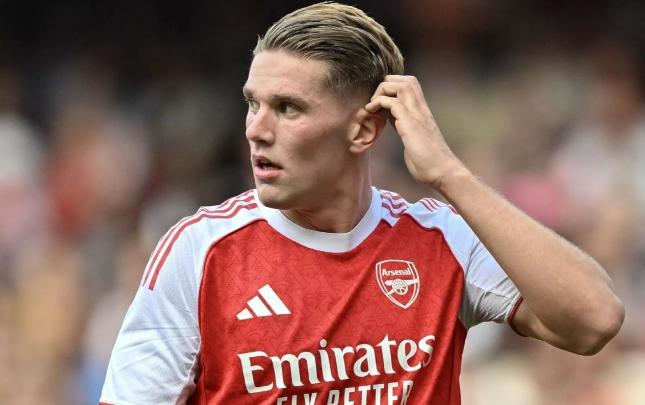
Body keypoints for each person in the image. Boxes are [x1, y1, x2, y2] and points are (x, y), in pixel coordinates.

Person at [99, 3, 624, 404]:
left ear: (364, 130)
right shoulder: (201, 253)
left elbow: (594, 320)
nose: (256, 129)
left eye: (288, 108)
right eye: (253, 104)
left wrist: (449, 174)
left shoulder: (441, 240)